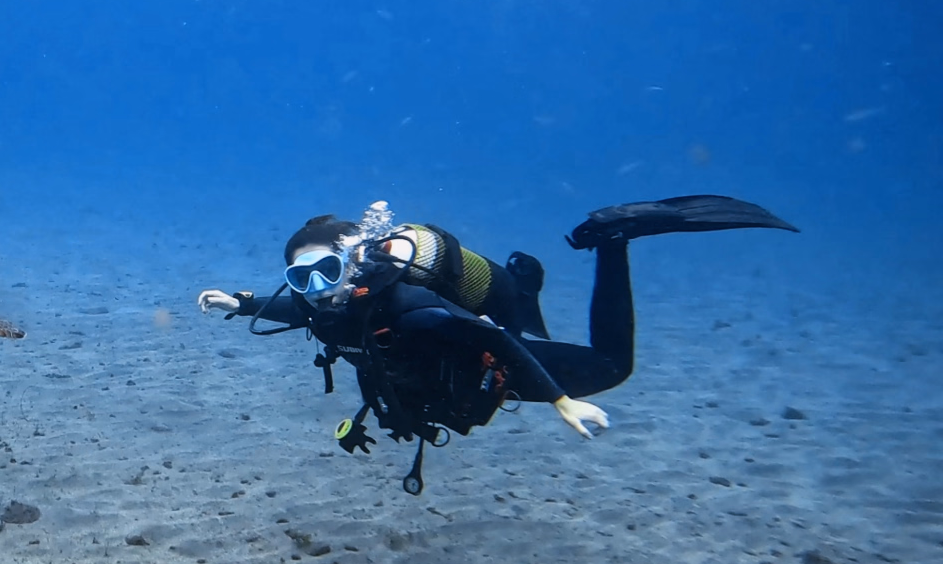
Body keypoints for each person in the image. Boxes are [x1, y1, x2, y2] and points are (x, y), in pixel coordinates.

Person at [196, 195, 798, 494]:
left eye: (327, 272)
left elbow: (489, 337)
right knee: (522, 315)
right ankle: (523, 280)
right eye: (301, 278)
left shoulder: (408, 306)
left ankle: (612, 241)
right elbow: (297, 311)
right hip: (453, 364)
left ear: (353, 264)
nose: (317, 291)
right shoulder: (324, 306)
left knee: (607, 366)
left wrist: (561, 400)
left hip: (483, 355)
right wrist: (241, 302)